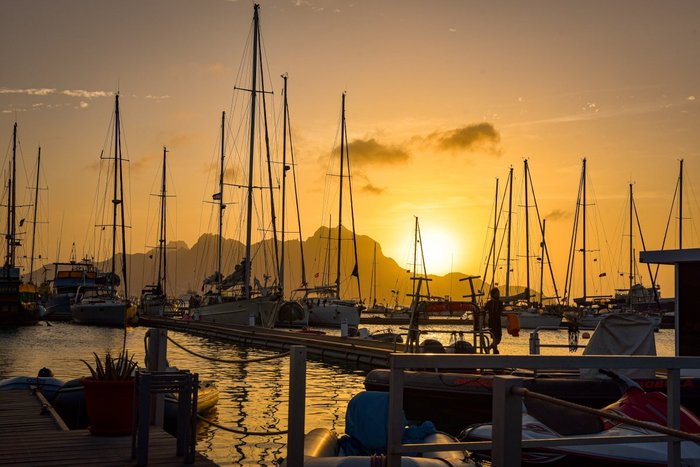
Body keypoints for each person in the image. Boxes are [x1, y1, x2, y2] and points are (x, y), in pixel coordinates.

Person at [484, 287, 504, 354]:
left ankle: (491, 349)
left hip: (498, 322)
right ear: (493, 294)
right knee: (495, 338)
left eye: (499, 293)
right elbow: (484, 310)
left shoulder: (500, 303)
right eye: (497, 293)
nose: (498, 294)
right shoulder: (489, 303)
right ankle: (493, 350)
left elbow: (502, 311)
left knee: (498, 339)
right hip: (492, 322)